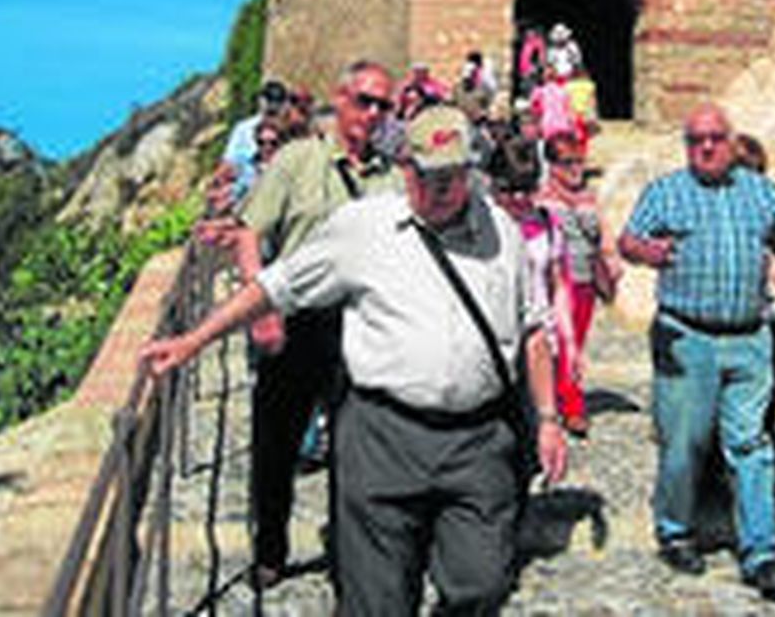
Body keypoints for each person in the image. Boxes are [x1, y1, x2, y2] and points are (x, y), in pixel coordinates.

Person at [143, 104, 567, 615]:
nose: (440, 189)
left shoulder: (502, 233)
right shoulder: (364, 228)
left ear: (470, 172)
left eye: (452, 176)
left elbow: (533, 329)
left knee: (481, 581)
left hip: (478, 440)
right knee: (376, 600)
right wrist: (193, 340)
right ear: (405, 168)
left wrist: (547, 418)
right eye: (428, 176)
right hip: (384, 437)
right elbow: (276, 286)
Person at [190, 60, 404, 589]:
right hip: (296, 319)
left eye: (384, 105)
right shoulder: (298, 160)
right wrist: (261, 309)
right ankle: (270, 549)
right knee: (276, 445)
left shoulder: (394, 177)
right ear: (341, 99)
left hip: (360, 324)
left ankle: (351, 555)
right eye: (364, 101)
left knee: (356, 450)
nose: (373, 113)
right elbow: (249, 232)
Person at [617, 102, 775, 602]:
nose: (705, 148)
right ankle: (675, 531)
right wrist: (648, 252)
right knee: (684, 443)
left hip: (749, 339)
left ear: (732, 141)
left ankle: (761, 552)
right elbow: (628, 241)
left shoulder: (762, 192)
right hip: (687, 339)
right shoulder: (665, 192)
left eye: (715, 139)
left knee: (751, 445)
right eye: (695, 140)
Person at [535, 131, 621, 437]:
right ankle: (570, 406)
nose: (575, 169)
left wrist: (611, 259)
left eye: (579, 162)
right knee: (558, 341)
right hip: (556, 280)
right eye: (567, 163)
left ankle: (563, 396)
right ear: (551, 165)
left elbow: (604, 233)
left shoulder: (589, 197)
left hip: (585, 280)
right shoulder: (542, 198)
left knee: (576, 343)